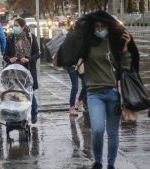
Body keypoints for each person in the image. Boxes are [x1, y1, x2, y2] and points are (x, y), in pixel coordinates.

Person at [58, 11, 139, 169]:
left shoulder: (113, 43)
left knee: (113, 132)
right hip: (94, 94)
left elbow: (125, 67)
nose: (100, 29)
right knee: (97, 129)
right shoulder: (87, 44)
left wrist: (124, 49)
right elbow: (70, 51)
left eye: (103, 26)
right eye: (97, 27)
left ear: (108, 27)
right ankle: (98, 161)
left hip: (114, 94)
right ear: (92, 28)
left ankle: (110, 164)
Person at [3, 18, 40, 124]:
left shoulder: (31, 37)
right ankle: (19, 116)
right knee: (17, 93)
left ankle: (34, 112)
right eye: (14, 26)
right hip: (15, 70)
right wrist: (9, 59)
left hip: (28, 69)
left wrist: (28, 59)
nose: (14, 27)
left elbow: (37, 53)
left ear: (23, 27)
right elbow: (5, 54)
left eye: (16, 25)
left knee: (29, 92)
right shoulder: (10, 38)